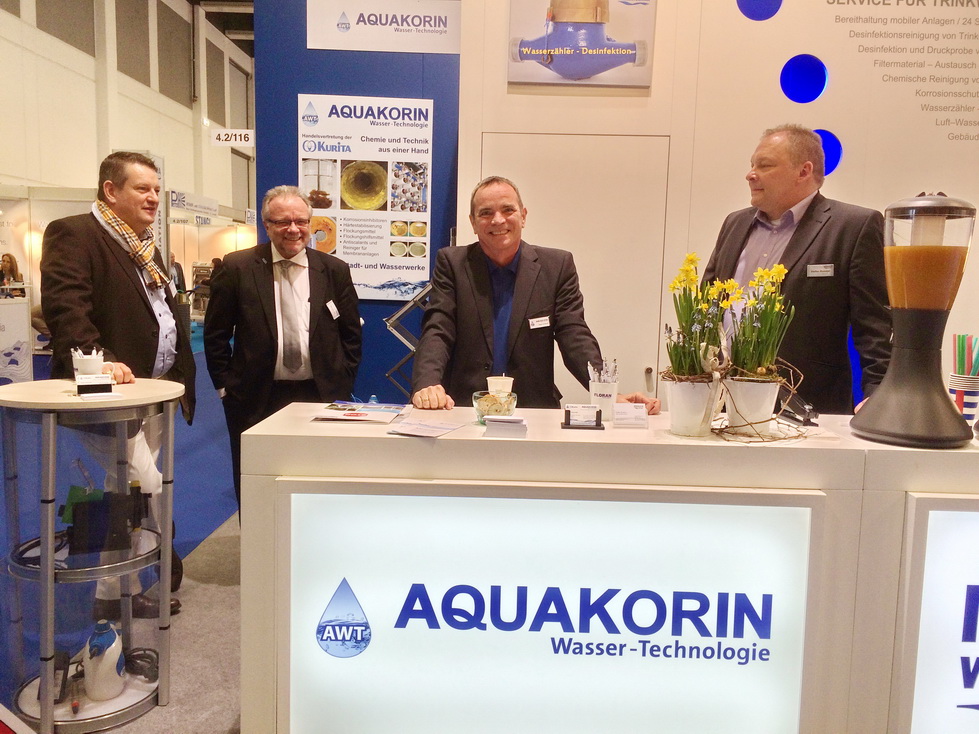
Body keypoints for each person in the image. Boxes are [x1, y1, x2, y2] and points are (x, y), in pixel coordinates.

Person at [40, 150, 196, 618]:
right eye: (142, 188)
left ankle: (114, 593)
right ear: (111, 191)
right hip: (109, 394)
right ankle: (150, 561)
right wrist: (101, 361)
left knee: (123, 487)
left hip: (157, 391)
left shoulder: (143, 244)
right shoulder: (74, 233)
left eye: (156, 189)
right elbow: (67, 307)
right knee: (144, 484)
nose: (153, 197)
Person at [411, 175, 659, 413]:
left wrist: (608, 393)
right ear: (473, 223)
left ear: (523, 216)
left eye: (508, 210)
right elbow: (438, 329)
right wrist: (427, 385)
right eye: (485, 213)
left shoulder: (557, 266)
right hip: (465, 408)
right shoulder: (452, 264)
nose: (498, 220)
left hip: (533, 410)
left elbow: (574, 336)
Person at [703, 124, 891, 414]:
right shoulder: (734, 224)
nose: (750, 174)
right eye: (752, 165)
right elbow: (706, 308)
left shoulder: (853, 227)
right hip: (721, 406)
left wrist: (879, 396)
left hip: (808, 407)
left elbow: (875, 327)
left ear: (803, 171)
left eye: (764, 165)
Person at [204, 185, 362, 506]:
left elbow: (351, 334)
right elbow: (216, 333)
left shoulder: (334, 270)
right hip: (255, 396)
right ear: (267, 225)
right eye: (282, 222)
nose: (293, 229)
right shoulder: (238, 268)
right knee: (256, 486)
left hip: (320, 395)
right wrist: (225, 387)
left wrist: (342, 380)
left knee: (320, 481)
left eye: (301, 221)